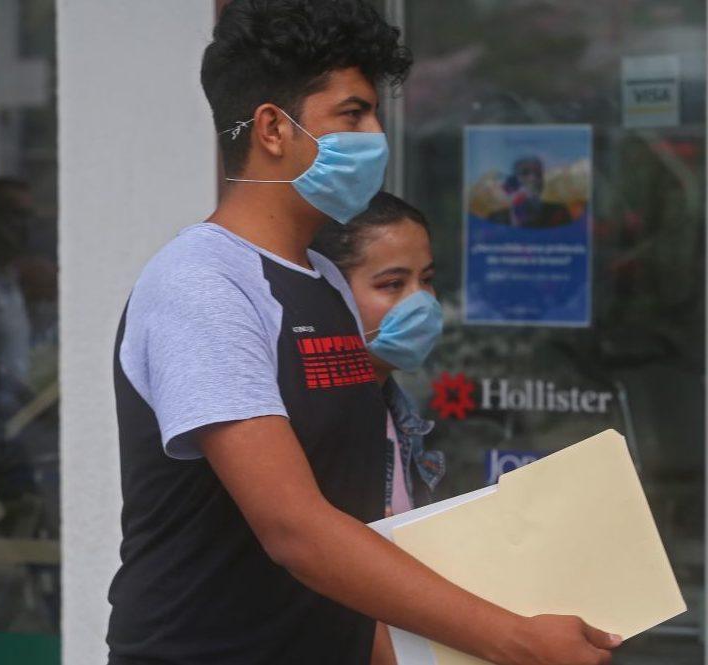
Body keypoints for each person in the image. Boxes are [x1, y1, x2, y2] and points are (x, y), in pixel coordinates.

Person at [106, 1, 622, 664]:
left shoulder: (324, 279)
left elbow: (359, 529)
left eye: (375, 114)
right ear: (272, 128)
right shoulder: (201, 283)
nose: (376, 135)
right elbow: (295, 529)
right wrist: (513, 638)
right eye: (353, 115)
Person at [312, 191, 448, 664]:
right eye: (392, 284)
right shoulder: (315, 420)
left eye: (426, 280)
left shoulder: (395, 411)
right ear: (332, 293)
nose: (421, 303)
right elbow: (334, 586)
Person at [488, 156, 573, 228]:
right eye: (525, 173)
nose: (533, 178)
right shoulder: (495, 220)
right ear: (512, 181)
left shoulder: (559, 213)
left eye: (538, 174)